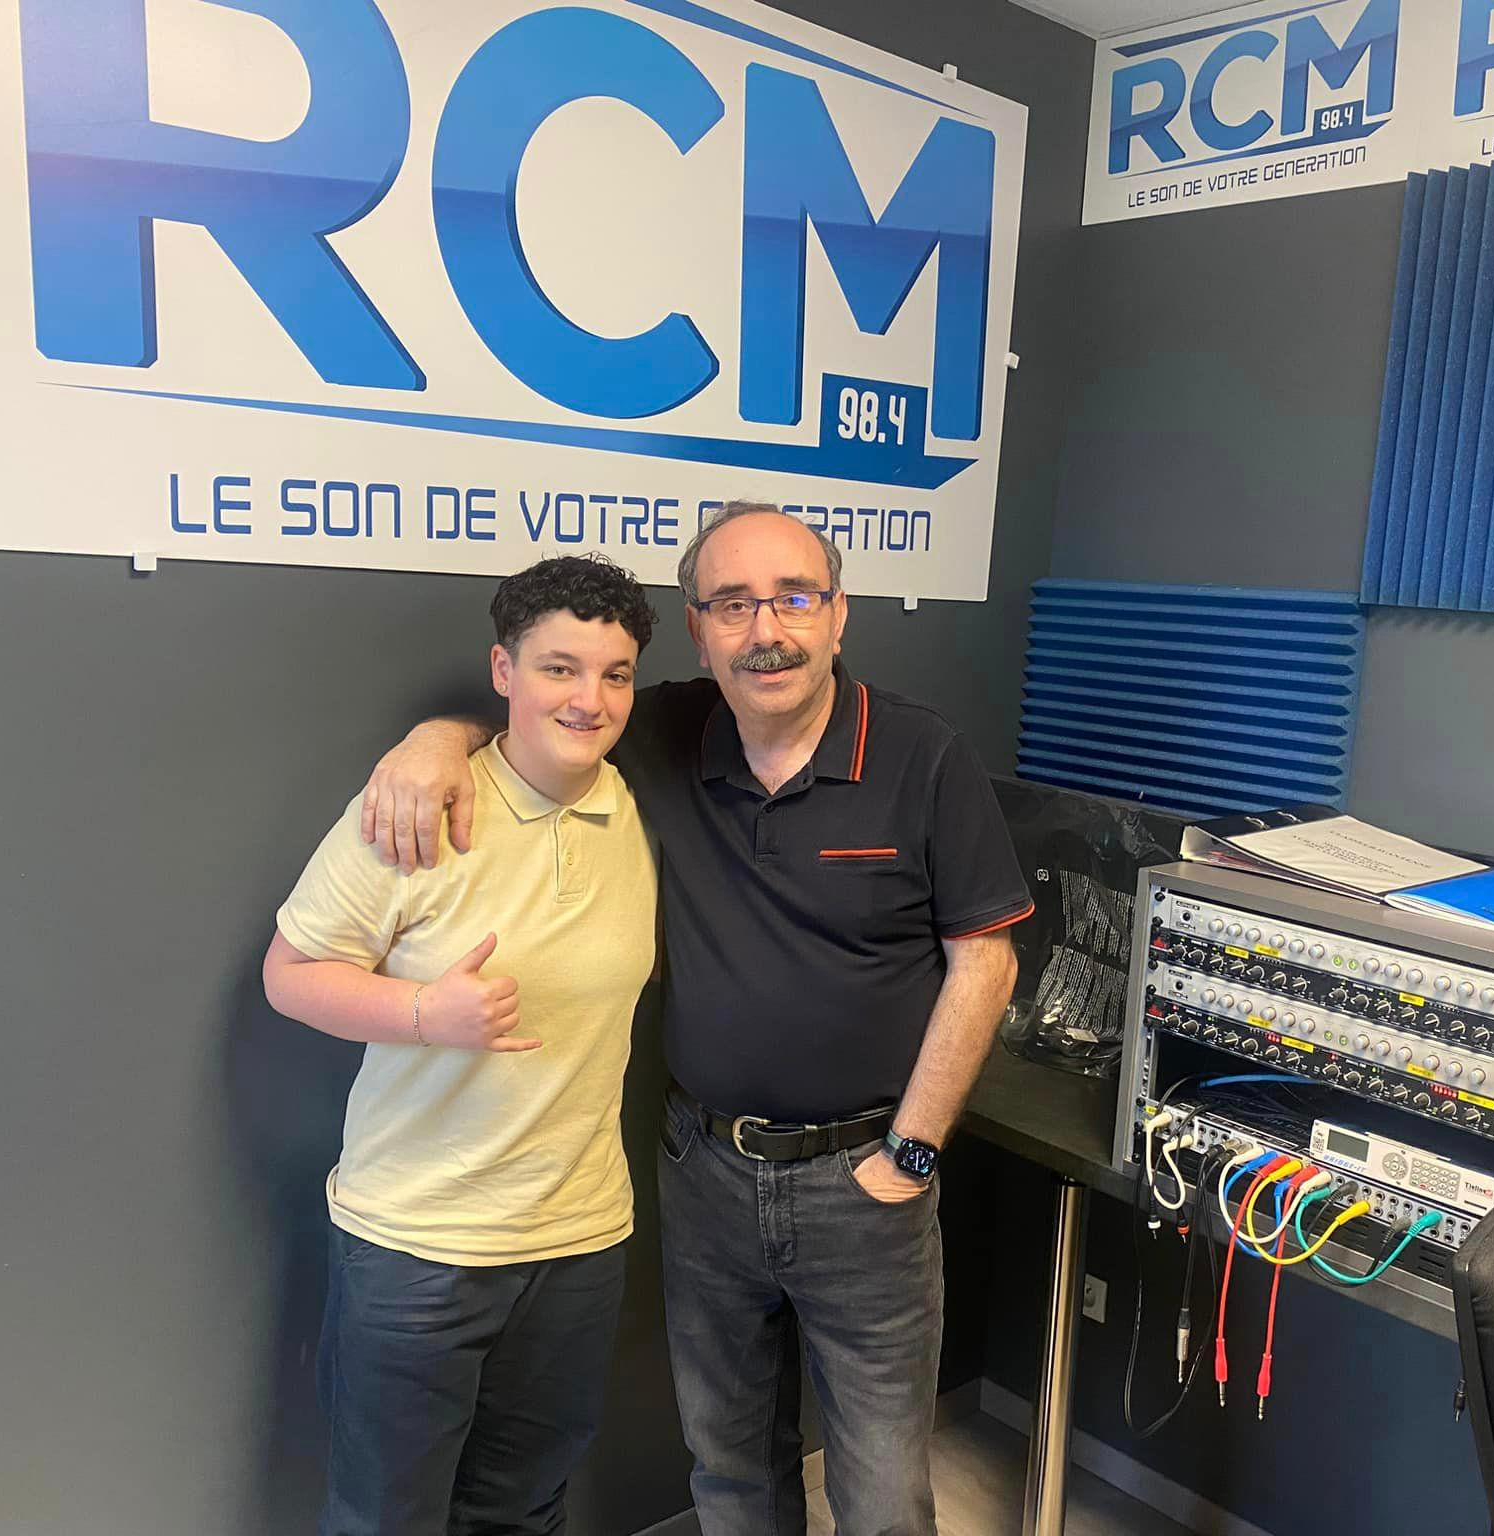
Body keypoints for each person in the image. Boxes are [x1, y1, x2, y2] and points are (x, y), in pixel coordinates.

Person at [357, 503, 1031, 1535]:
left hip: (866, 1185)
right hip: (705, 1172)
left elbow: (984, 960)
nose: (767, 631)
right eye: (732, 604)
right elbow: (537, 708)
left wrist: (911, 1153)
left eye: (794, 599)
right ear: (699, 628)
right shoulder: (664, 730)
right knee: (728, 1466)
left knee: (882, 1490)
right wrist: (430, 741)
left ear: (838, 614)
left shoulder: (920, 756)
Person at [262, 555, 660, 1536]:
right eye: (558, 668)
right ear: (503, 669)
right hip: (419, 1247)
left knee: (524, 1510)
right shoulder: (417, 809)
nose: (589, 698)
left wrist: (447, 728)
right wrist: (421, 1015)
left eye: (614, 674)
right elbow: (289, 973)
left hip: (579, 1242)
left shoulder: (636, 802)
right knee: (386, 1519)